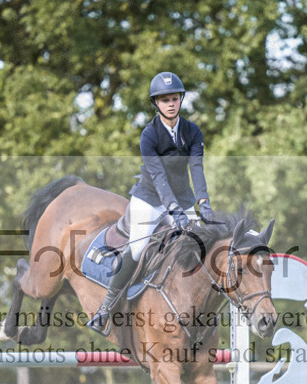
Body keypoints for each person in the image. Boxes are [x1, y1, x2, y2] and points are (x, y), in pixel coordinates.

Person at [88, 71, 217, 335]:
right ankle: (106, 309)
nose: (170, 104)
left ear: (181, 99)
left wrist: (203, 202)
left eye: (174, 98)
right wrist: (173, 210)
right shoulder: (149, 135)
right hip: (149, 199)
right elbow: (158, 177)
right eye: (164, 100)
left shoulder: (192, 132)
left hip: (182, 198)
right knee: (136, 250)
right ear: (156, 104)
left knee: (201, 244)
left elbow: (197, 169)